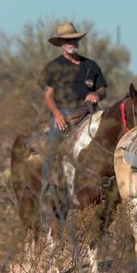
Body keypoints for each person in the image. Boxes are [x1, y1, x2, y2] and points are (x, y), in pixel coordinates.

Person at [39, 21, 108, 199]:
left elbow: (102, 89)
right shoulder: (53, 67)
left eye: (75, 40)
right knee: (53, 141)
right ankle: (46, 184)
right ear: (61, 43)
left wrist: (96, 95)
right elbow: (48, 96)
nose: (72, 43)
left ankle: (110, 182)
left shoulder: (91, 65)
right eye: (68, 40)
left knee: (109, 136)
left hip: (90, 111)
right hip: (65, 113)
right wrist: (57, 114)